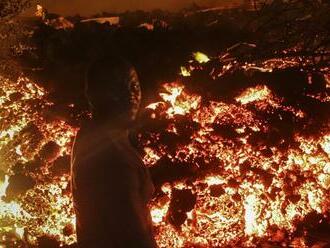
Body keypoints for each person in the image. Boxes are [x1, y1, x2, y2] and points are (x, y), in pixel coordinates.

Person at [71, 56, 157, 248]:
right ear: (94, 95)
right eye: (117, 90)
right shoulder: (113, 158)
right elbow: (134, 236)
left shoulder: (90, 135)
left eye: (134, 87)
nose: (131, 96)